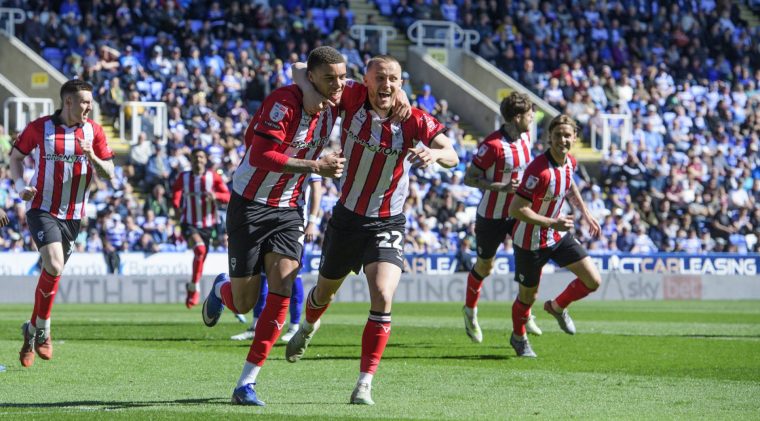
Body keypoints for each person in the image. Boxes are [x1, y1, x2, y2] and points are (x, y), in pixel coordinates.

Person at [286, 55, 459, 405]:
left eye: (393, 79)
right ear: (365, 79)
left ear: (401, 82)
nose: (387, 85)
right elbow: (299, 69)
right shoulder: (349, 96)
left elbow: (452, 152)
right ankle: (307, 326)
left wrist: (433, 154)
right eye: (380, 78)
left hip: (388, 221)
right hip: (347, 218)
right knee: (323, 293)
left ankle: (365, 382)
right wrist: (309, 91)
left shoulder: (413, 119)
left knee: (382, 295)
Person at [199, 46, 348, 407]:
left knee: (283, 287)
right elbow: (263, 156)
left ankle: (246, 384)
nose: (339, 85)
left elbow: (377, 89)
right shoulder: (283, 103)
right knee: (246, 300)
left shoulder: (339, 98)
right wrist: (315, 166)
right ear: (312, 78)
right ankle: (221, 290)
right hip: (249, 204)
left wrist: (401, 93)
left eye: (342, 77)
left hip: (288, 210)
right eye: (329, 78)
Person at [10, 79, 115, 368]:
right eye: (83, 101)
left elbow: (109, 172)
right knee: (54, 265)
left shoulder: (93, 131)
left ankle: (31, 331)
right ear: (67, 102)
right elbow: (16, 158)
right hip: (42, 208)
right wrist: (20, 185)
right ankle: (44, 331)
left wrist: (92, 155)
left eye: (90, 102)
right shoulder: (40, 128)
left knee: (51, 273)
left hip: (73, 215)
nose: (89, 107)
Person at [507, 114, 602, 358]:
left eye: (567, 135)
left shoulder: (570, 162)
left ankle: (557, 306)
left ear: (574, 138)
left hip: (556, 236)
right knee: (527, 297)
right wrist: (553, 222)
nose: (562, 139)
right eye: (557, 135)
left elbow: (569, 185)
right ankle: (519, 338)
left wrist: (586, 213)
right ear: (549, 137)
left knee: (593, 280)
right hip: (530, 241)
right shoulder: (537, 170)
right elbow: (516, 209)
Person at [461, 92, 542, 343]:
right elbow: (469, 178)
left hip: (520, 213)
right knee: (486, 266)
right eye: (529, 115)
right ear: (517, 118)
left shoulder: (527, 137)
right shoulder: (493, 146)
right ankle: (470, 311)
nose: (532, 118)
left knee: (531, 262)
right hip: (492, 215)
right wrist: (501, 187)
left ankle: (525, 312)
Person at [230, 174, 323, 342]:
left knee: (291, 277)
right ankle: (256, 324)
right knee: (262, 277)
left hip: (293, 222)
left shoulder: (310, 152)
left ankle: (294, 326)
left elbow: (316, 189)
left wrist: (312, 221)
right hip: (266, 218)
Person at [171, 148, 230, 308]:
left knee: (201, 257)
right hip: (189, 222)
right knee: (200, 250)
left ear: (205, 160)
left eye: (201, 157)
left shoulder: (213, 177)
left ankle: (192, 285)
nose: (198, 159)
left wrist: (216, 196)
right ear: (191, 159)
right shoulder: (184, 177)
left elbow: (228, 196)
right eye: (195, 157)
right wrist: (176, 205)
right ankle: (195, 289)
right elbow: (176, 190)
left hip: (208, 225)